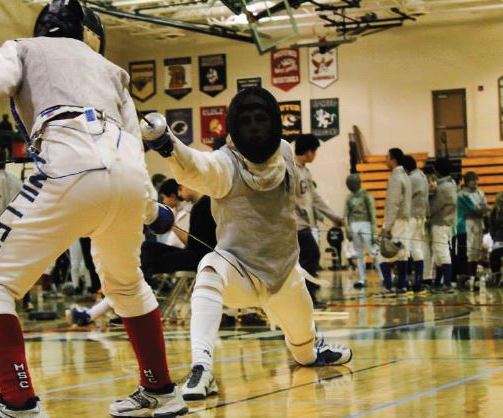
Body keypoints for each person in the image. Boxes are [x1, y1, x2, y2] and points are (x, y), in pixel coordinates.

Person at [0, 2, 187, 417]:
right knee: (127, 286)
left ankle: (19, 403)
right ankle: (162, 389)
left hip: (69, 162)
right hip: (127, 177)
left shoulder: (23, 47)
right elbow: (132, 148)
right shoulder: (113, 71)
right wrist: (151, 211)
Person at [141, 86, 352, 401]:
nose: (254, 126)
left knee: (304, 354)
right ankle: (202, 366)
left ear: (274, 122)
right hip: (239, 272)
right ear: (235, 127)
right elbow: (198, 167)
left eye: (261, 118)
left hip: (284, 275)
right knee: (210, 266)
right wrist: (168, 144)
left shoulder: (284, 152)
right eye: (247, 120)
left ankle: (313, 349)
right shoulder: (226, 163)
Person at [293, 134, 343, 307]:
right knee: (312, 254)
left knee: (304, 260)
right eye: (314, 151)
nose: (315, 155)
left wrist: (335, 217)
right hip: (295, 225)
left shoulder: (305, 171)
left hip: (304, 224)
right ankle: (308, 299)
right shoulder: (290, 169)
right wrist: (299, 212)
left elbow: (315, 199)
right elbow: (285, 198)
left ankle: (304, 299)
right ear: (308, 151)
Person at [379, 148, 412, 297]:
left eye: (387, 157)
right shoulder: (406, 176)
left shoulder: (395, 178)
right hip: (406, 219)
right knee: (402, 252)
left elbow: (393, 204)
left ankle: (388, 285)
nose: (385, 160)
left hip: (397, 220)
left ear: (393, 159)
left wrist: (387, 226)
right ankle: (402, 285)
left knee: (383, 252)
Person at [344, 174, 380, 289]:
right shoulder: (349, 197)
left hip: (366, 225)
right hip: (354, 226)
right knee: (359, 254)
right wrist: (347, 229)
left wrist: (374, 231)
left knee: (373, 251)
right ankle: (362, 278)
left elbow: (372, 214)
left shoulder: (366, 195)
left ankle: (384, 277)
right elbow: (346, 215)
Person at [429, 158, 458, 293]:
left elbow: (434, 207)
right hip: (447, 223)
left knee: (442, 252)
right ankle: (438, 281)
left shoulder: (443, 187)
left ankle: (446, 283)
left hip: (441, 222)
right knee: (438, 252)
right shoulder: (451, 183)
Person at [403, 155, 429, 294]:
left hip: (412, 217)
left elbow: (404, 197)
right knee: (416, 248)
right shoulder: (422, 176)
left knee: (406, 249)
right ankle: (418, 283)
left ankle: (405, 283)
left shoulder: (412, 178)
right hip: (421, 216)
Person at [458, 171, 489, 286]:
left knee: (477, 250)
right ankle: (467, 276)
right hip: (467, 223)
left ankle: (474, 275)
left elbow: (485, 207)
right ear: (467, 182)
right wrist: (481, 209)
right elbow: (474, 209)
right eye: (473, 181)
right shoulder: (462, 194)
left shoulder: (481, 193)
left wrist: (483, 210)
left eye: (476, 181)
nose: (476, 184)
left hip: (478, 222)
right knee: (469, 250)